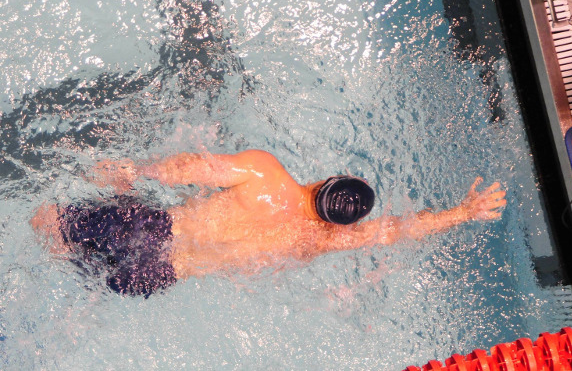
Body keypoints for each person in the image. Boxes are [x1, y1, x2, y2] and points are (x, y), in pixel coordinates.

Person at [31, 150, 506, 297]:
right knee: (81, 274)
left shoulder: (267, 173)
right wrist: (462, 213)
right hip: (156, 277)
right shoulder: (318, 240)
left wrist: (137, 171)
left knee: (43, 222)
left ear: (326, 178)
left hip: (151, 230)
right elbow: (394, 230)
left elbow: (196, 168)